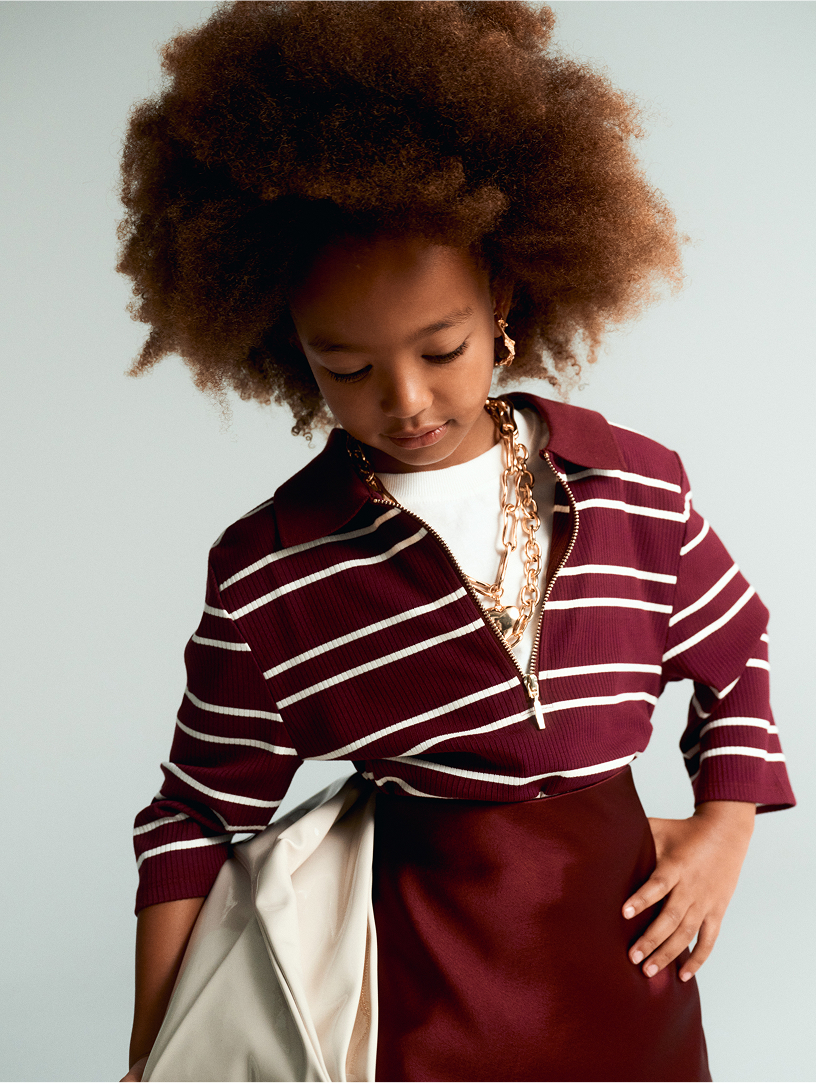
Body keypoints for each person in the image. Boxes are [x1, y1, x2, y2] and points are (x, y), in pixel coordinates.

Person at [117, 3, 795, 1080]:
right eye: (346, 367)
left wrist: (726, 829)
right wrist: (150, 1056)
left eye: (442, 348)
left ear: (504, 295)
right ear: (286, 344)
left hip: (636, 981)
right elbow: (195, 816)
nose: (405, 399)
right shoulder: (273, 573)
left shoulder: (631, 482)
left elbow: (736, 651)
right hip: (422, 1008)